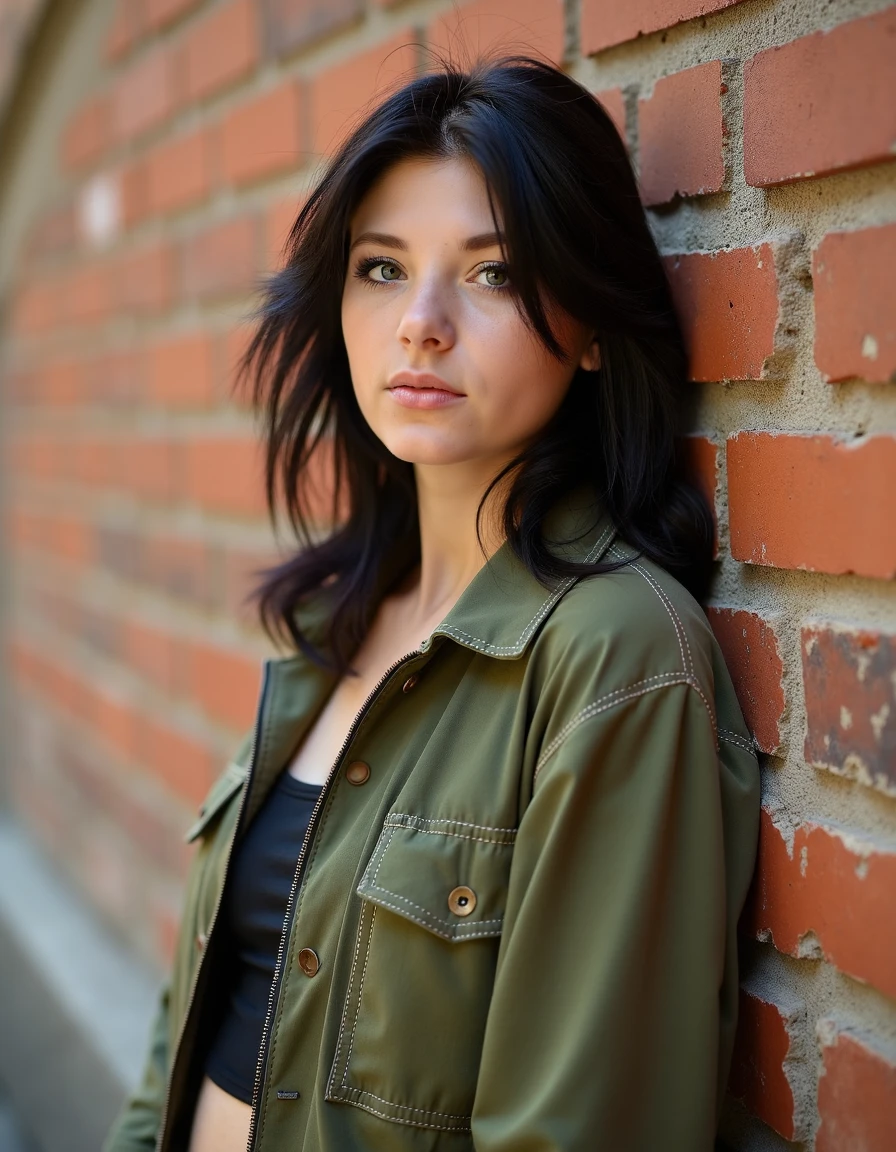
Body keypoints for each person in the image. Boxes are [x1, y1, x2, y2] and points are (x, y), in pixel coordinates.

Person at [103, 54, 760, 1152]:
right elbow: (185, 1034)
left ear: (593, 325)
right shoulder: (337, 626)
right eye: (379, 268)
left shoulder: (614, 657)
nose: (420, 322)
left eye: (494, 274)